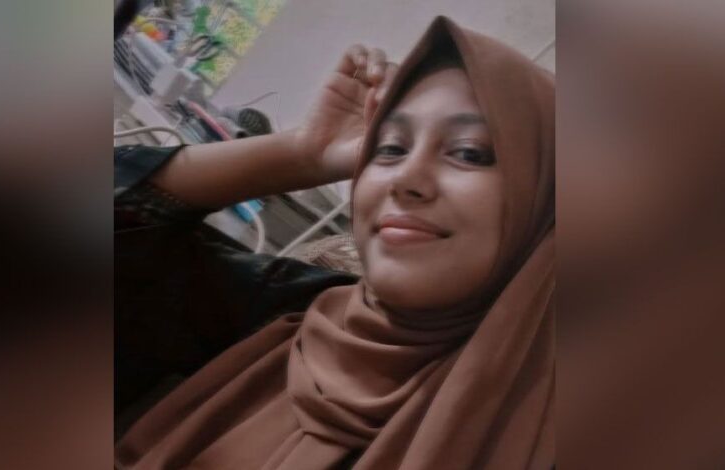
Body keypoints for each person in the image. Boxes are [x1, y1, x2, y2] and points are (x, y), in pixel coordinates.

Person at [115, 15, 554, 469]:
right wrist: (303, 154)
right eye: (390, 148)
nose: (406, 178)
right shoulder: (281, 313)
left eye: (469, 153)